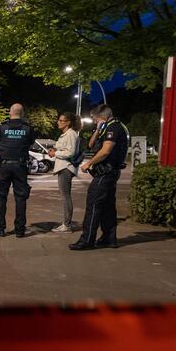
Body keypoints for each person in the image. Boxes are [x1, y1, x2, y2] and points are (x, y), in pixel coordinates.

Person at [69, 104, 129, 250]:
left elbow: (106, 151)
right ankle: (109, 239)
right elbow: (90, 145)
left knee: (93, 205)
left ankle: (87, 240)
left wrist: (88, 163)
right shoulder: (105, 127)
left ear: (103, 116)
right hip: (107, 172)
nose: (94, 121)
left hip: (106, 172)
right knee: (107, 207)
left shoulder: (114, 127)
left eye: (95, 119)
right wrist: (97, 130)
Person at [0, 103, 35, 237]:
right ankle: (20, 230)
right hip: (20, 166)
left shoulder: (2, 127)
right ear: (22, 114)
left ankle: (0, 228)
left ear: (10, 113)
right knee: (20, 198)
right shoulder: (28, 129)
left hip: (4, 166)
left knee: (1, 197)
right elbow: (31, 143)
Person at [48, 113, 81, 233]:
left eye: (61, 120)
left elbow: (70, 152)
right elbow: (65, 149)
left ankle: (66, 225)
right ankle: (66, 224)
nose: (58, 122)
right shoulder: (66, 134)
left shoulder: (71, 134)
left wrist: (55, 153)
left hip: (66, 168)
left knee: (65, 197)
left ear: (68, 123)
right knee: (65, 196)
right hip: (64, 167)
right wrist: (55, 150)